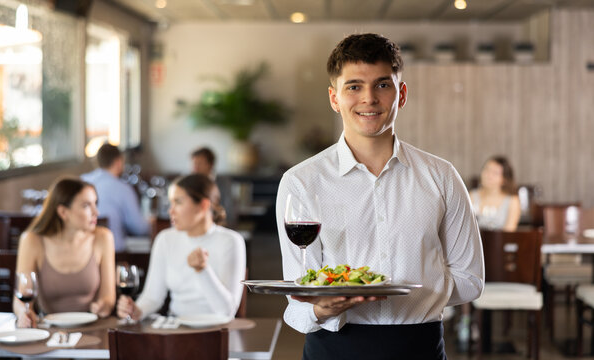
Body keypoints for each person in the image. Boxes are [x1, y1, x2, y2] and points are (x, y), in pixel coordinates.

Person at [276, 33, 484, 359]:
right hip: (333, 349)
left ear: (401, 94)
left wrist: (410, 292)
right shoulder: (301, 182)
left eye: (382, 85)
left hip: (420, 347)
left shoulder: (442, 177)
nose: (369, 98)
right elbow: (298, 301)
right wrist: (321, 309)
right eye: (354, 86)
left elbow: (470, 279)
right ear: (334, 98)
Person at [116, 174, 246, 320]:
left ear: (203, 205)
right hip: (176, 330)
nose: (171, 211)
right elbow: (152, 297)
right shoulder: (165, 239)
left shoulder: (231, 241)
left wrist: (202, 270)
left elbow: (226, 311)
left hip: (217, 332)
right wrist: (135, 310)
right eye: (171, 203)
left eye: (178, 202)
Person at [14, 177, 115, 328]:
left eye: (95, 203)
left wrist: (103, 306)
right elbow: (21, 299)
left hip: (92, 328)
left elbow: (108, 298)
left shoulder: (104, 237)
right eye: (86, 206)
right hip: (48, 330)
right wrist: (23, 313)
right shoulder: (31, 240)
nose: (96, 212)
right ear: (63, 212)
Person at [81, 143, 151, 251]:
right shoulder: (123, 188)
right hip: (114, 252)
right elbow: (139, 228)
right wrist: (151, 222)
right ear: (119, 162)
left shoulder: (81, 181)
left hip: (83, 249)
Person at [469, 156, 521, 231]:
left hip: (501, 241)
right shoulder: (471, 196)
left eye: (495, 173)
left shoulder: (512, 200)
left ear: (504, 179)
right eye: (487, 170)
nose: (488, 175)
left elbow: (509, 232)